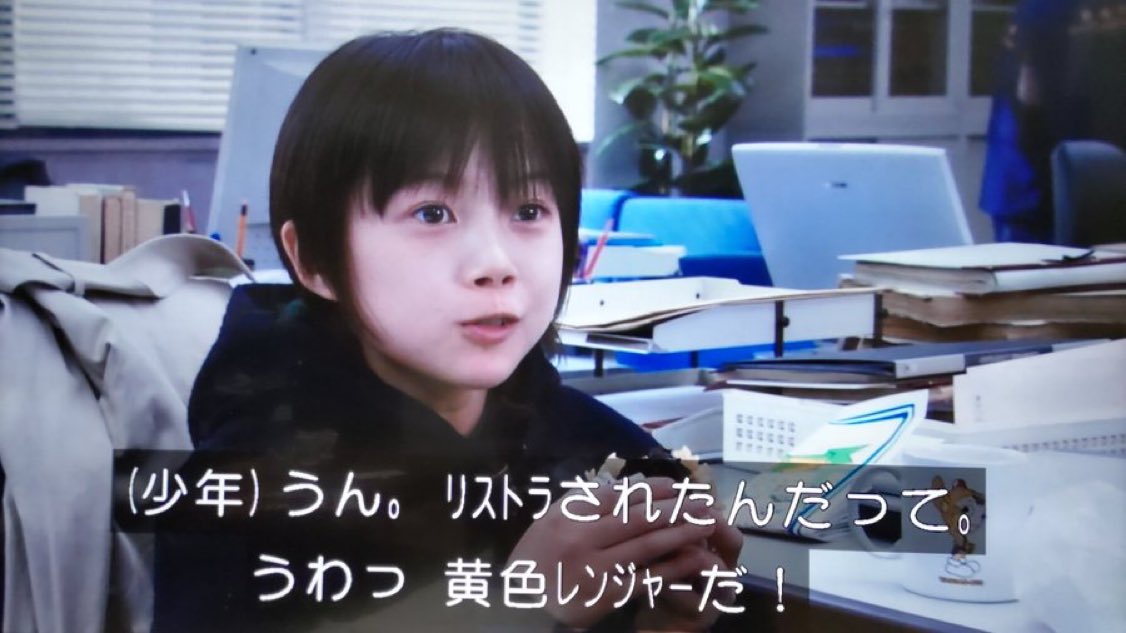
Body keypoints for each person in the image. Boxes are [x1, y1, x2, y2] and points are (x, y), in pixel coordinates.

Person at [151, 29, 741, 632]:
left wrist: (666, 625)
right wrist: (520, 609)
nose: (495, 263)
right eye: (432, 214)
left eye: (529, 211)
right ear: (315, 260)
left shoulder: (602, 453)